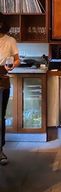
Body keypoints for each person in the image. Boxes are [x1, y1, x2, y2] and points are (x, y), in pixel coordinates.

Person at [0, 13, 20, 165]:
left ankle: (0, 150)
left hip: (2, 78)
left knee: (0, 117)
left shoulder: (10, 40)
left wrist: (13, 65)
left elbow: (17, 59)